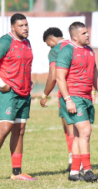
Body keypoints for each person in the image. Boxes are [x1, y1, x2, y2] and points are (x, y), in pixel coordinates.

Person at [56, 22, 98, 182]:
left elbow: (95, 74)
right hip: (73, 97)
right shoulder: (66, 51)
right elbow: (59, 77)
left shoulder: (89, 51)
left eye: (87, 32)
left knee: (79, 135)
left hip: (86, 97)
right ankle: (87, 170)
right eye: (84, 33)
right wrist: (68, 100)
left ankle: (74, 172)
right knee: (86, 131)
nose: (87, 35)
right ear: (74, 36)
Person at [0, 13, 36, 181]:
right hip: (8, 93)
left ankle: (16, 172)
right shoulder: (5, 41)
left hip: (24, 93)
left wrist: (29, 81)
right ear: (12, 27)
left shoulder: (27, 42)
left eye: (26, 25)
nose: (25, 28)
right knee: (4, 129)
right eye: (21, 25)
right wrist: (1, 84)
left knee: (19, 131)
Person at [41, 27, 76, 171]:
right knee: (81, 128)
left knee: (70, 128)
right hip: (83, 91)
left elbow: (53, 76)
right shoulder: (76, 44)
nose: (49, 46)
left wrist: (44, 95)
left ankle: (75, 162)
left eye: (48, 44)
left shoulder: (56, 49)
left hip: (67, 92)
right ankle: (76, 161)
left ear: (51, 39)